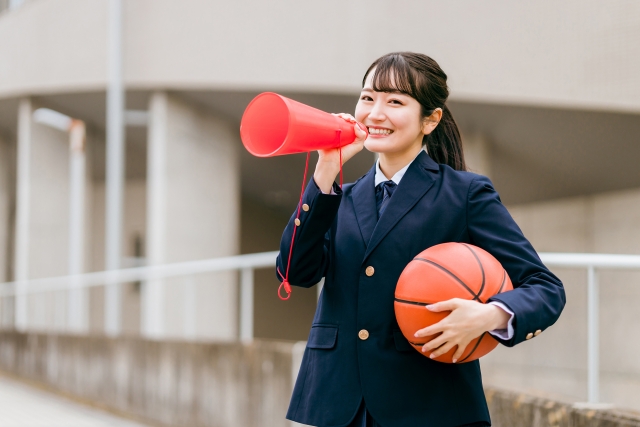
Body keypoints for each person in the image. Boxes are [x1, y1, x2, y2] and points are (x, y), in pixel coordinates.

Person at [276, 52, 565, 427]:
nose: (375, 113)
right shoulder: (336, 196)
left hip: (429, 404)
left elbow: (545, 288)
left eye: (395, 101)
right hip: (337, 405)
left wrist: (489, 314)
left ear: (431, 119)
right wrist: (326, 171)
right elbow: (295, 272)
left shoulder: (465, 193)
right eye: (368, 98)